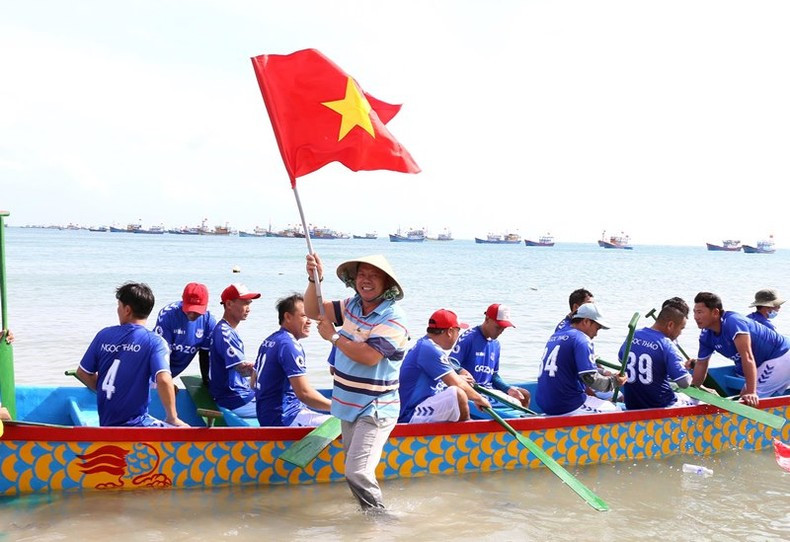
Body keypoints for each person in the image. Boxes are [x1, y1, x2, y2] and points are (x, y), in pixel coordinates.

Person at [304, 252, 408, 511]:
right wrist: (313, 278)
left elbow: (370, 357)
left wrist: (335, 338)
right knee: (352, 468)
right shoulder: (351, 305)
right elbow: (313, 310)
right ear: (354, 279)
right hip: (347, 404)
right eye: (362, 274)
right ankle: (364, 520)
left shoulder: (393, 318)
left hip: (375, 406)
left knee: (357, 471)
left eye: (374, 276)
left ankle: (381, 521)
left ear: (387, 284)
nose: (366, 280)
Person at [75, 282, 188, 427]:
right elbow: (164, 380)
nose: (118, 310)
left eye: (119, 306)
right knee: (185, 428)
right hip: (137, 425)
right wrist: (172, 417)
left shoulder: (103, 335)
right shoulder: (155, 342)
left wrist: (110, 392)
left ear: (127, 310)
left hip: (107, 424)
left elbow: (83, 373)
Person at [690, 291, 790, 406]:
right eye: (694, 312)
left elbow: (747, 357)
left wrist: (752, 392)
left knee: (748, 402)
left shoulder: (733, 322)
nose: (696, 317)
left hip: (782, 355)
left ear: (715, 312)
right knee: (744, 396)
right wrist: (693, 391)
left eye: (700, 312)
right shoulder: (705, 335)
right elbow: (702, 364)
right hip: (767, 362)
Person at [398, 309, 490, 423]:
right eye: (458, 331)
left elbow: (444, 381)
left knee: (457, 392)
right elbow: (456, 384)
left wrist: (459, 379)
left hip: (420, 406)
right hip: (410, 414)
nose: (458, 336)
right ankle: (467, 433)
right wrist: (480, 399)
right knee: (458, 394)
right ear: (450, 331)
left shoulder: (425, 344)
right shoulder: (429, 349)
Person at [535, 303, 626, 416]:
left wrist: (603, 372)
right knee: (616, 411)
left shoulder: (557, 335)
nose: (596, 334)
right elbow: (591, 379)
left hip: (543, 401)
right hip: (566, 404)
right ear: (586, 321)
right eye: (597, 328)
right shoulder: (582, 339)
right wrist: (614, 381)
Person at [255, 293, 332, 427]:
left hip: (267, 414)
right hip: (285, 418)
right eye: (303, 316)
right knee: (348, 425)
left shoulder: (270, 340)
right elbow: (304, 393)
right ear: (288, 317)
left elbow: (252, 381)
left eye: (309, 316)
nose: (309, 321)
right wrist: (339, 408)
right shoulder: (289, 345)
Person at [619, 297, 697, 409]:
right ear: (670, 325)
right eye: (681, 328)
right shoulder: (668, 345)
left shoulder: (634, 334)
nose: (680, 333)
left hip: (632, 404)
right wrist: (691, 372)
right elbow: (684, 383)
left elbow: (622, 359)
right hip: (661, 405)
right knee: (697, 401)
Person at [448, 304, 530, 410]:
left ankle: (522, 424)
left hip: (489, 389)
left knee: (524, 395)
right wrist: (460, 370)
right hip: (474, 391)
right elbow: (450, 362)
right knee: (516, 404)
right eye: (498, 327)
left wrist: (508, 389)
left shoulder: (496, 344)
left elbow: (494, 375)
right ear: (487, 319)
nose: (500, 331)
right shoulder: (469, 337)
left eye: (503, 328)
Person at [208, 283, 261, 418]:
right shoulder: (225, 333)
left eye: (249, 303)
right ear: (229, 304)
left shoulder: (226, 329)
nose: (248, 308)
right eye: (244, 303)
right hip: (234, 399)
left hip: (237, 394)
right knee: (286, 407)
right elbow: (241, 369)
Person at [153, 282, 217, 384]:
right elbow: (160, 355)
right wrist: (166, 382)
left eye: (197, 311)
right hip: (152, 370)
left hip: (170, 374)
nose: (192, 314)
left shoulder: (209, 321)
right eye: (189, 309)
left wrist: (207, 383)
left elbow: (205, 355)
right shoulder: (168, 315)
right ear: (183, 300)